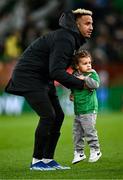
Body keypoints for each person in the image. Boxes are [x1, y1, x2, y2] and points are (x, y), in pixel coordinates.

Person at [5, 8, 93, 170]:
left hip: (43, 78)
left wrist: (74, 88)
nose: (91, 27)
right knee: (48, 116)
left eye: (91, 23)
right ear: (76, 25)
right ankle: (36, 161)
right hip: (29, 77)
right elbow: (56, 71)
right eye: (87, 23)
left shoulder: (70, 39)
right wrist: (81, 84)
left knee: (58, 116)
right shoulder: (65, 39)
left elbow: (55, 70)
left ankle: (47, 160)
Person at [70, 49, 102, 164]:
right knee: (77, 132)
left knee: (89, 131)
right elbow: (74, 87)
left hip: (89, 109)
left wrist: (86, 78)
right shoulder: (75, 75)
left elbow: (96, 85)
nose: (88, 65)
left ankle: (95, 150)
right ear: (77, 66)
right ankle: (79, 152)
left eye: (89, 62)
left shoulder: (92, 74)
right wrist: (72, 93)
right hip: (78, 109)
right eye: (85, 63)